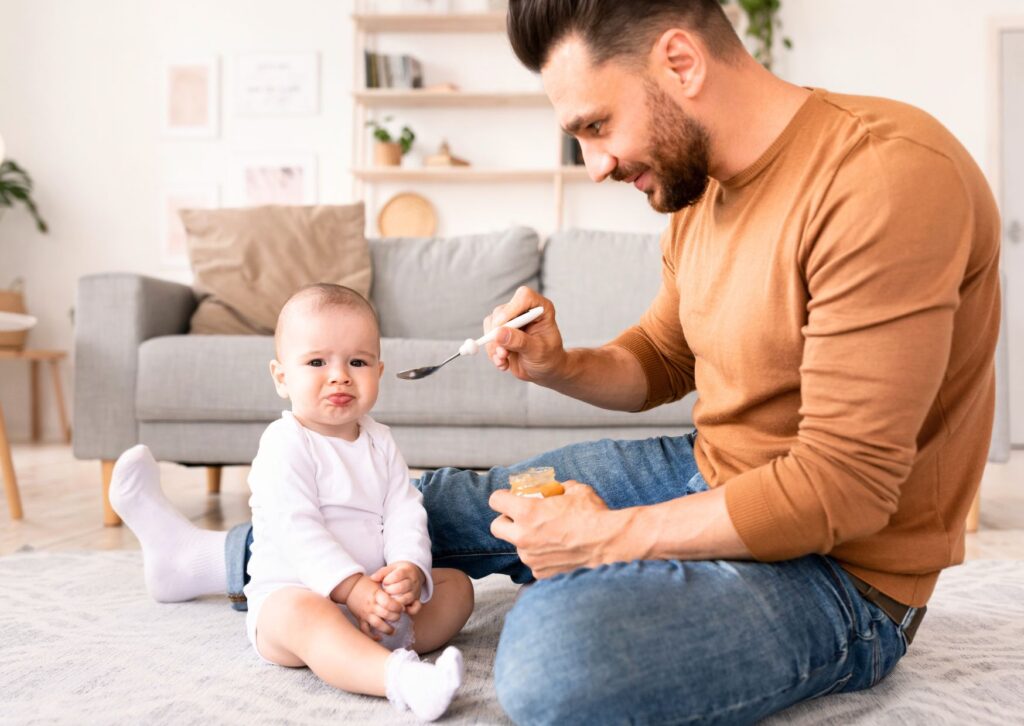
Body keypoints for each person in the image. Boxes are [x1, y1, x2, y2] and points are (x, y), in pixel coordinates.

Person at [110, 1, 1001, 722]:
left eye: (597, 124)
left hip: (845, 576)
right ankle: (211, 562)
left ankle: (579, 582)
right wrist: (558, 362)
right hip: (709, 475)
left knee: (553, 657)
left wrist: (610, 539)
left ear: (680, 63)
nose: (596, 161)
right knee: (428, 503)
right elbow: (660, 358)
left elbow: (845, 486)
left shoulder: (884, 177)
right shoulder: (704, 192)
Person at [111, 284, 474, 722]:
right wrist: (351, 589)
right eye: (317, 362)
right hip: (300, 596)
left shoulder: (380, 441)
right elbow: (297, 531)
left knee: (457, 587)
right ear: (282, 377)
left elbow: (404, 509)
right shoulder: (285, 443)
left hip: (372, 599)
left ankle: (360, 649)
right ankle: (400, 679)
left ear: (379, 371)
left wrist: (407, 569)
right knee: (300, 612)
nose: (339, 375)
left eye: (357, 362)